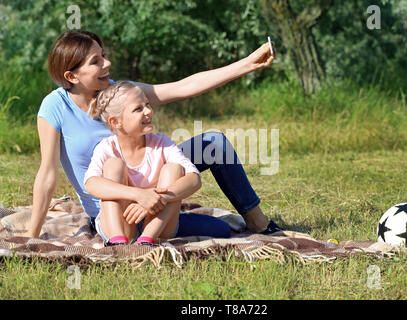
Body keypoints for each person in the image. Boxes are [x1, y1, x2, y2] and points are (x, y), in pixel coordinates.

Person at [26, 30, 282, 239]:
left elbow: (184, 87)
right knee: (114, 169)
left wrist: (248, 64)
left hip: (156, 200)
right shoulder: (54, 107)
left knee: (213, 144)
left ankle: (258, 223)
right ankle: (144, 233)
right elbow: (48, 173)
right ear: (71, 75)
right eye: (96, 61)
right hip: (113, 213)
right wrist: (31, 237)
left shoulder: (121, 93)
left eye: (103, 55)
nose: (107, 63)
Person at [85, 81, 222, 246]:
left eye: (148, 105)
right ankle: (117, 243)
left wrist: (160, 198)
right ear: (115, 122)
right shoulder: (107, 148)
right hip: (121, 225)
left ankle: (146, 241)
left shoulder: (162, 143)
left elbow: (194, 179)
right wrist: (139, 195)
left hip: (157, 226)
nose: (148, 111)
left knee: (174, 169)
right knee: (113, 165)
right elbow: (91, 184)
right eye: (138, 109)